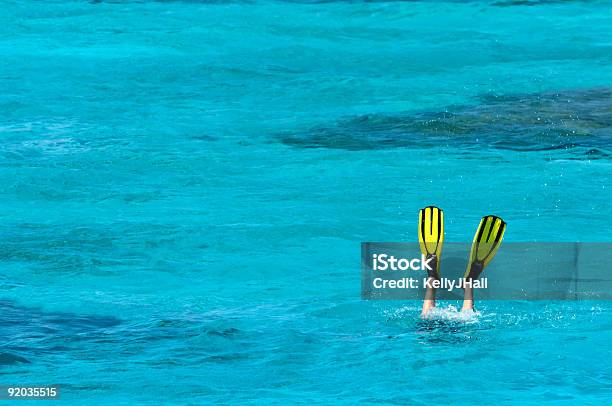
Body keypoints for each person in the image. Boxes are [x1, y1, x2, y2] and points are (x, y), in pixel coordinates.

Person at [418, 206, 506, 318]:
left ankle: (433, 279)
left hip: (434, 332)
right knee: (465, 321)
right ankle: (466, 284)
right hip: (456, 332)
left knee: (427, 320)